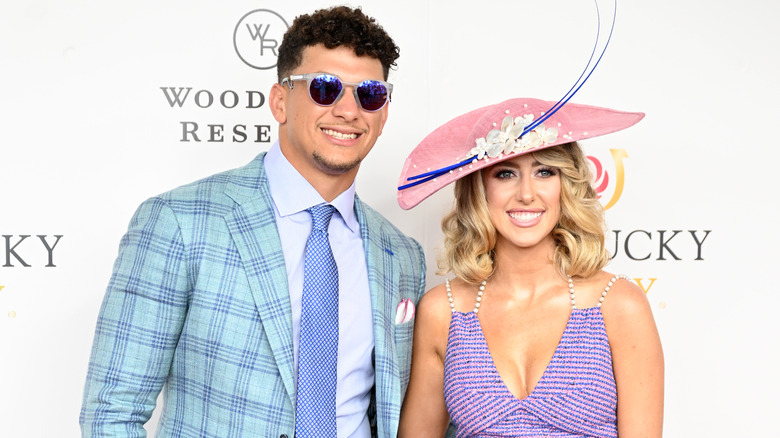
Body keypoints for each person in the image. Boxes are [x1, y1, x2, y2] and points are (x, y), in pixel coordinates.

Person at [80, 6, 425, 438]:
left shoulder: (403, 256)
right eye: (325, 88)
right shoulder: (179, 222)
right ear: (280, 101)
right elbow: (112, 413)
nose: (349, 111)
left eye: (369, 94)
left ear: (384, 113)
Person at [396, 98, 664, 437]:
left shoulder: (618, 304)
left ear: (566, 184)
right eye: (506, 173)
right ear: (480, 188)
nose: (526, 194)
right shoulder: (443, 311)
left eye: (544, 172)